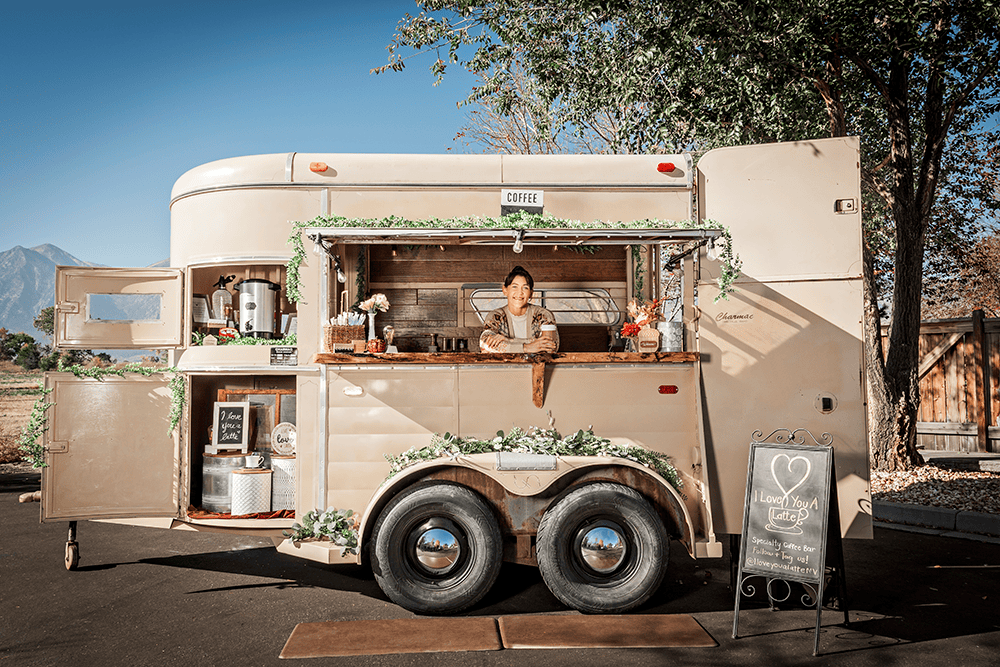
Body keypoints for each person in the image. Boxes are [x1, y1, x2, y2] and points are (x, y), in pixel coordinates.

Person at [479, 266, 560, 353]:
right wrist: (527, 348)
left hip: (537, 365)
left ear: (531, 293)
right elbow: (485, 345)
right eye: (514, 287)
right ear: (505, 290)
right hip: (504, 366)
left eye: (525, 288)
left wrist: (509, 341)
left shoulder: (543, 314)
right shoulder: (495, 316)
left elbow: (551, 346)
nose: (520, 292)